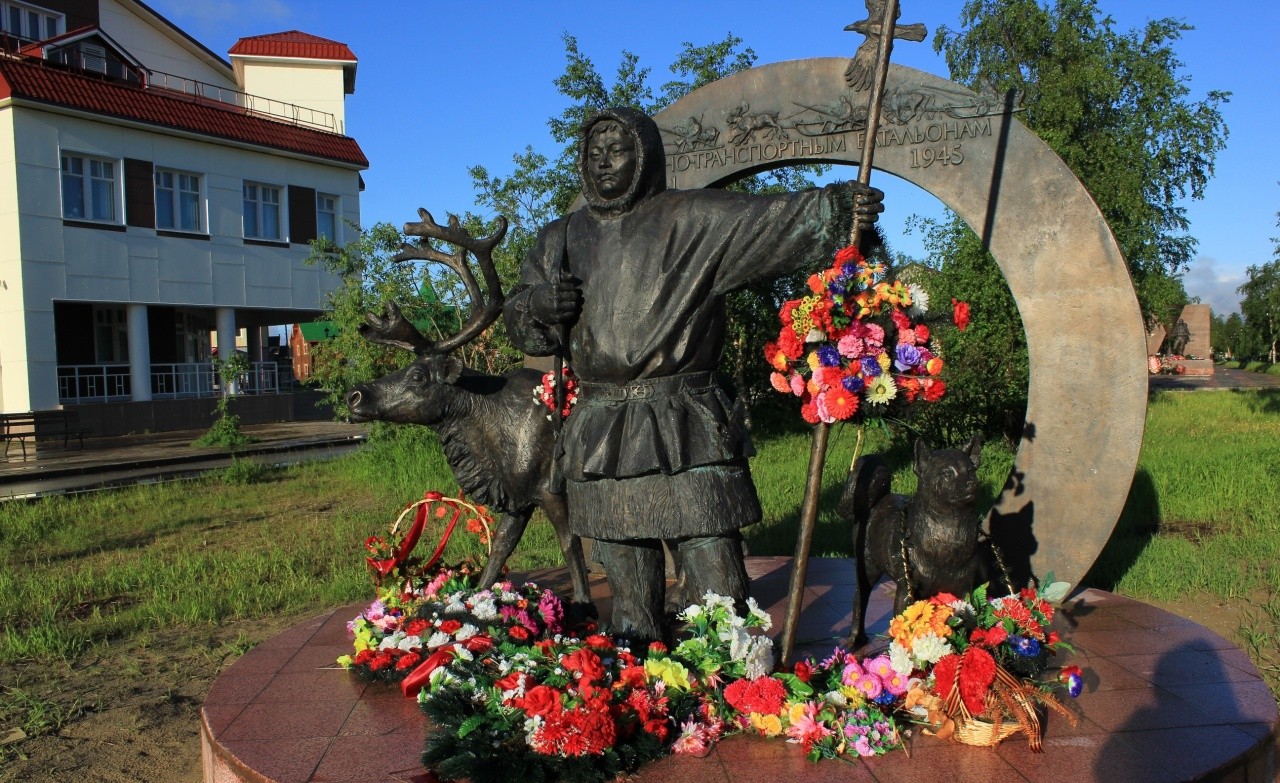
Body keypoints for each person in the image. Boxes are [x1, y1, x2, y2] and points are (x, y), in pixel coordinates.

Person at [505, 106, 882, 644]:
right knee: (625, 570)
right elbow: (521, 322)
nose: (605, 163)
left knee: (716, 580)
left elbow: (772, 222)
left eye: (618, 150)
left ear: (646, 156)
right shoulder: (560, 239)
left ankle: (731, 673)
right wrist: (540, 304)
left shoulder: (693, 218)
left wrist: (838, 207)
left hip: (686, 420)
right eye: (594, 153)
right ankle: (645, 674)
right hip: (603, 426)